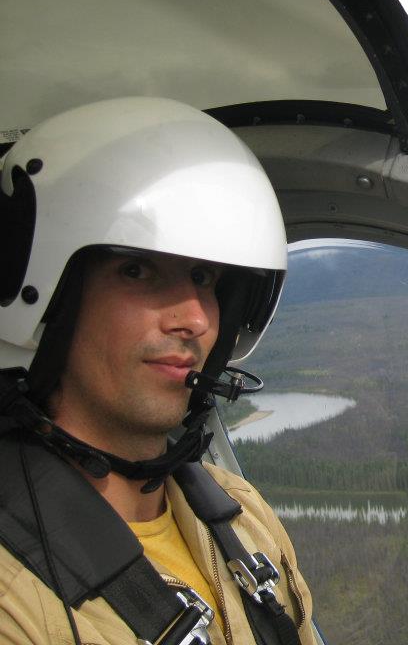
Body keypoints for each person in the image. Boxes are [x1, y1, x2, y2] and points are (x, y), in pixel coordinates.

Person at [0, 98, 316, 645]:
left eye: (204, 278)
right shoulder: (15, 595)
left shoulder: (243, 516)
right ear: (52, 298)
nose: (195, 318)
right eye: (138, 270)